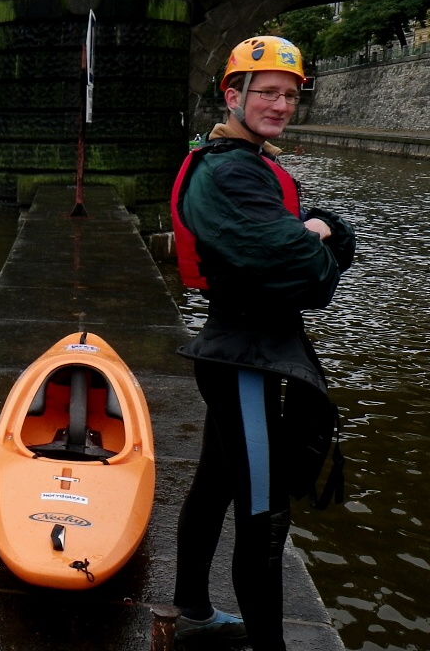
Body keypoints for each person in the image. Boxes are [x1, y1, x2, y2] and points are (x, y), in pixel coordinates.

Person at [169, 36, 355, 649]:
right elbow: (310, 272)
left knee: (215, 486)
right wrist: (325, 237)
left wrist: (322, 230)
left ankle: (193, 613)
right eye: (267, 93)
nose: (280, 105)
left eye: (290, 95)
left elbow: (303, 247)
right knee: (264, 512)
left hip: (243, 347)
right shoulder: (229, 169)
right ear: (233, 94)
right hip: (245, 358)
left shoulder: (240, 160)